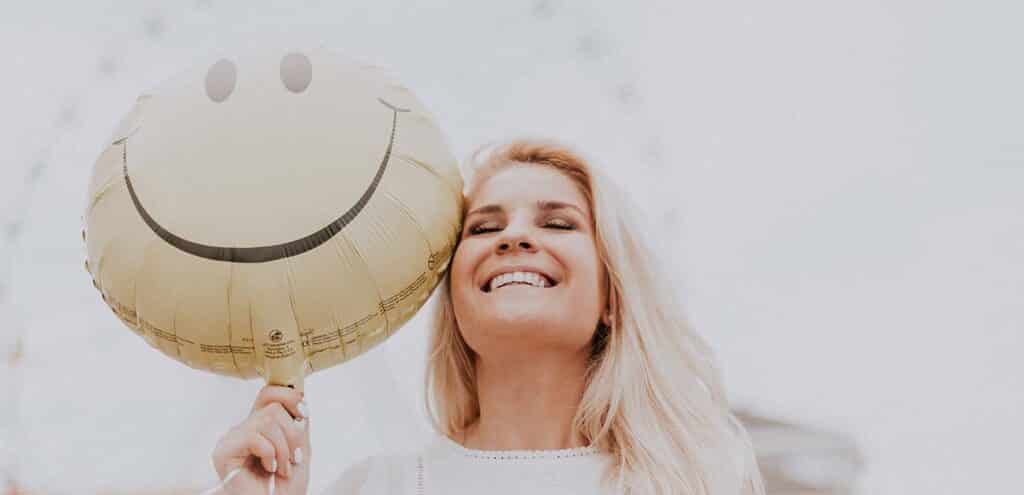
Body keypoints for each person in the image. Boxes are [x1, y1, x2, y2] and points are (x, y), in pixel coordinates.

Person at [211, 140, 766, 494]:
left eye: (558, 224)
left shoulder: (695, 483)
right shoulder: (376, 487)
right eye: (484, 228)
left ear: (612, 299)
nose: (514, 236)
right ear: (453, 299)